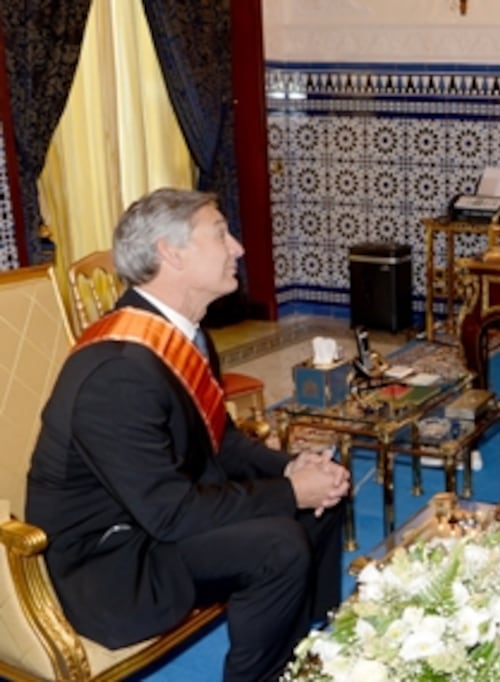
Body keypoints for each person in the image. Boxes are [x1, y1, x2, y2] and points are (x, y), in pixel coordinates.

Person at [26, 188, 351, 682]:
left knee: (326, 492)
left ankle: (304, 656)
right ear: (170, 252)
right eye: (221, 234)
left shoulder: (183, 335)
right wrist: (287, 492)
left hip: (158, 522)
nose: (238, 248)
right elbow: (170, 513)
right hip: (112, 566)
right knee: (277, 543)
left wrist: (290, 470)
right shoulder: (118, 372)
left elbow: (216, 438)